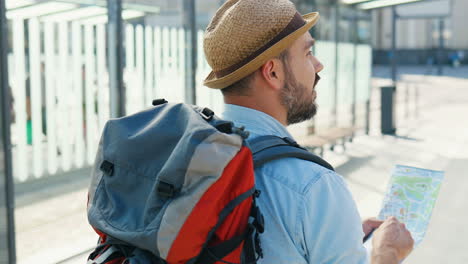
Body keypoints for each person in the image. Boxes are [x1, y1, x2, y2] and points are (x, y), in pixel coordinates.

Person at [202, 0, 414, 263]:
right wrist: (388, 253)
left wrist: (333, 235)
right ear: (273, 72)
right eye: (307, 53)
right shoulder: (312, 186)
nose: (318, 65)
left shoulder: (195, 154)